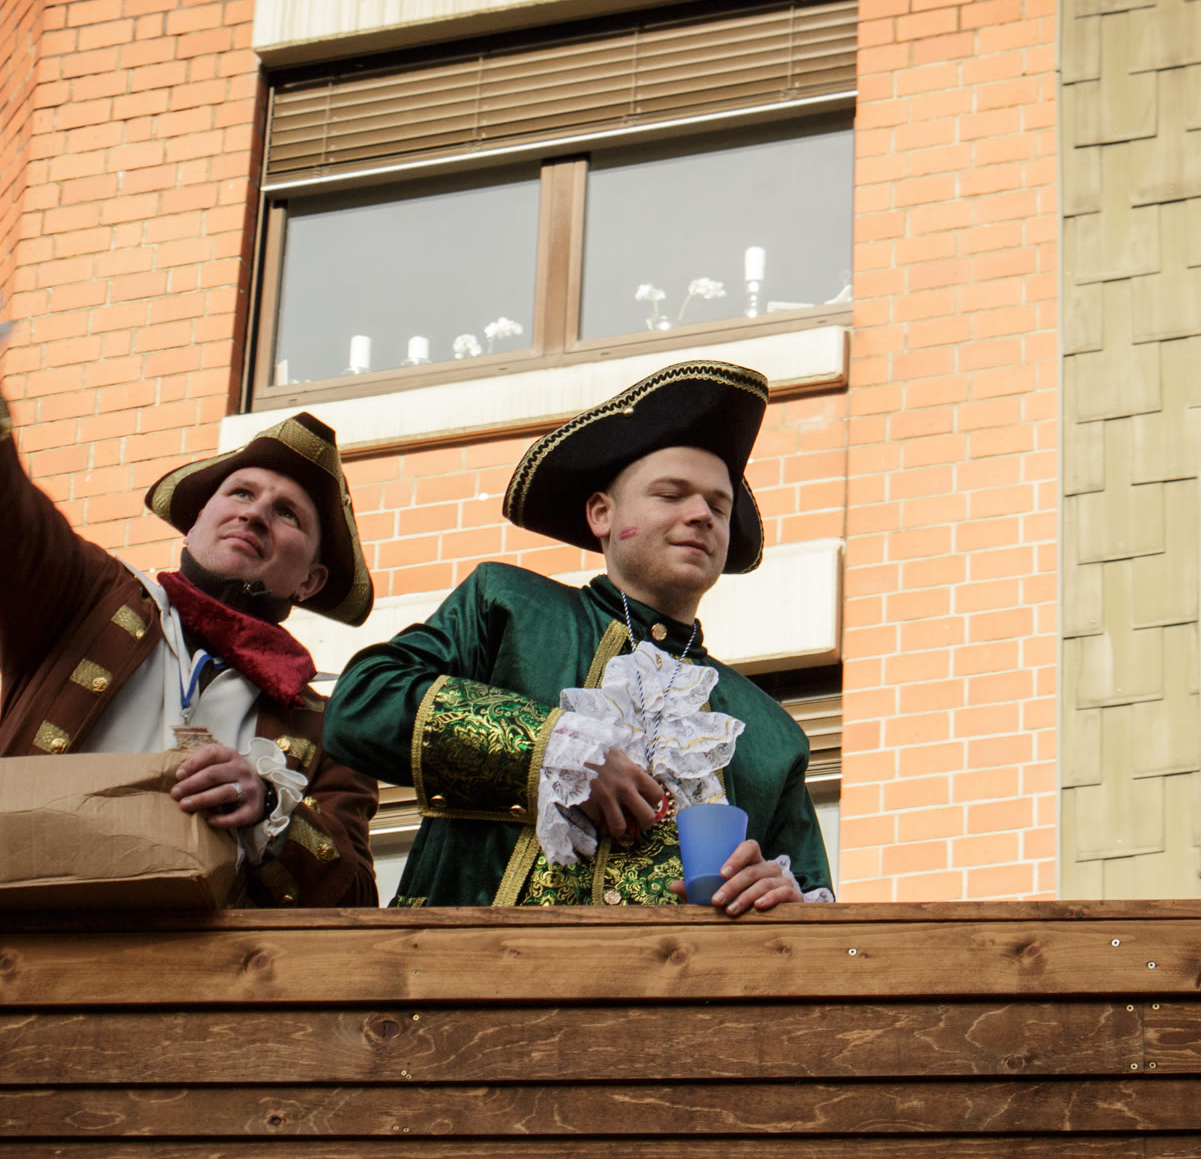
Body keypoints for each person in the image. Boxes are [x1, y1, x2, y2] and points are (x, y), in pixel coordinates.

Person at [0, 226, 378, 908]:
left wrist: (270, 811)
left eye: (288, 515)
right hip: (25, 934)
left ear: (310, 581)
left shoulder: (331, 728)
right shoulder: (90, 598)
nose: (255, 514)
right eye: (240, 494)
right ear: (196, 519)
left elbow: (356, 896)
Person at [324, 359, 834, 910]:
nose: (702, 515)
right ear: (601, 515)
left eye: (718, 505)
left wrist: (787, 902)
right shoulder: (508, 606)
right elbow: (360, 705)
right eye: (671, 495)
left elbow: (826, 924)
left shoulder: (773, 736)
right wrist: (551, 747)